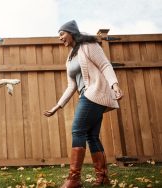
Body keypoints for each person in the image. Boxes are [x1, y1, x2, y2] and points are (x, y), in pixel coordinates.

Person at [44, 20, 123, 188]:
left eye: (62, 34)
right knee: (91, 136)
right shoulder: (69, 58)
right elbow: (71, 85)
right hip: (86, 95)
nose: (60, 38)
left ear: (71, 32)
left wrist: (114, 85)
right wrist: (58, 106)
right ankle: (102, 177)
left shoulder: (88, 45)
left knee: (77, 130)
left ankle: (74, 179)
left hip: (95, 92)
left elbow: (105, 65)